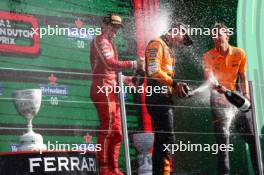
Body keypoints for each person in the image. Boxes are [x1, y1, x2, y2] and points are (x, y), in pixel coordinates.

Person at [89, 14, 144, 175]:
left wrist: (128, 79)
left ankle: (114, 167)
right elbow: (109, 64)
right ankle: (104, 167)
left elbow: (111, 72)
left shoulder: (110, 43)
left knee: (118, 131)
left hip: (112, 88)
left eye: (117, 28)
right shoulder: (100, 41)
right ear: (104, 25)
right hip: (102, 88)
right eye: (113, 26)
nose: (115, 30)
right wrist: (134, 63)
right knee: (108, 127)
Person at [203, 22, 258, 175]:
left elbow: (243, 76)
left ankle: (259, 170)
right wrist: (216, 86)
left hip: (237, 98)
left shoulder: (239, 53)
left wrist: (246, 95)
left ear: (227, 35)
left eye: (219, 34)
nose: (215, 37)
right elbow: (208, 76)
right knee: (223, 145)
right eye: (213, 34)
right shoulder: (208, 55)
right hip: (218, 101)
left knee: (252, 138)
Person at [145, 23, 193, 175]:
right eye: (182, 37)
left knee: (163, 138)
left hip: (164, 97)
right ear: (175, 31)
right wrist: (174, 84)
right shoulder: (156, 44)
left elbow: (167, 78)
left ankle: (160, 172)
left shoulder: (169, 49)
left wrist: (179, 90)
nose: (181, 42)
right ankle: (165, 172)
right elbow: (153, 71)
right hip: (156, 96)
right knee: (167, 138)